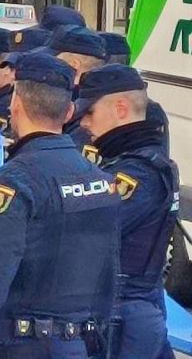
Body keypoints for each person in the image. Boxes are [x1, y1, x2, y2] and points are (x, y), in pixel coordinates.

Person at [0, 52, 121, 358]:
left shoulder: (16, 182)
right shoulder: (103, 181)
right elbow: (108, 283)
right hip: (77, 346)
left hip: (22, 346)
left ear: (15, 105)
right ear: (69, 111)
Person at [78, 64, 179, 359]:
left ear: (120, 108)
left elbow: (86, 232)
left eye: (90, 112)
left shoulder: (138, 173)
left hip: (123, 315)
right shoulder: (142, 160)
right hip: (133, 310)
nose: (83, 122)